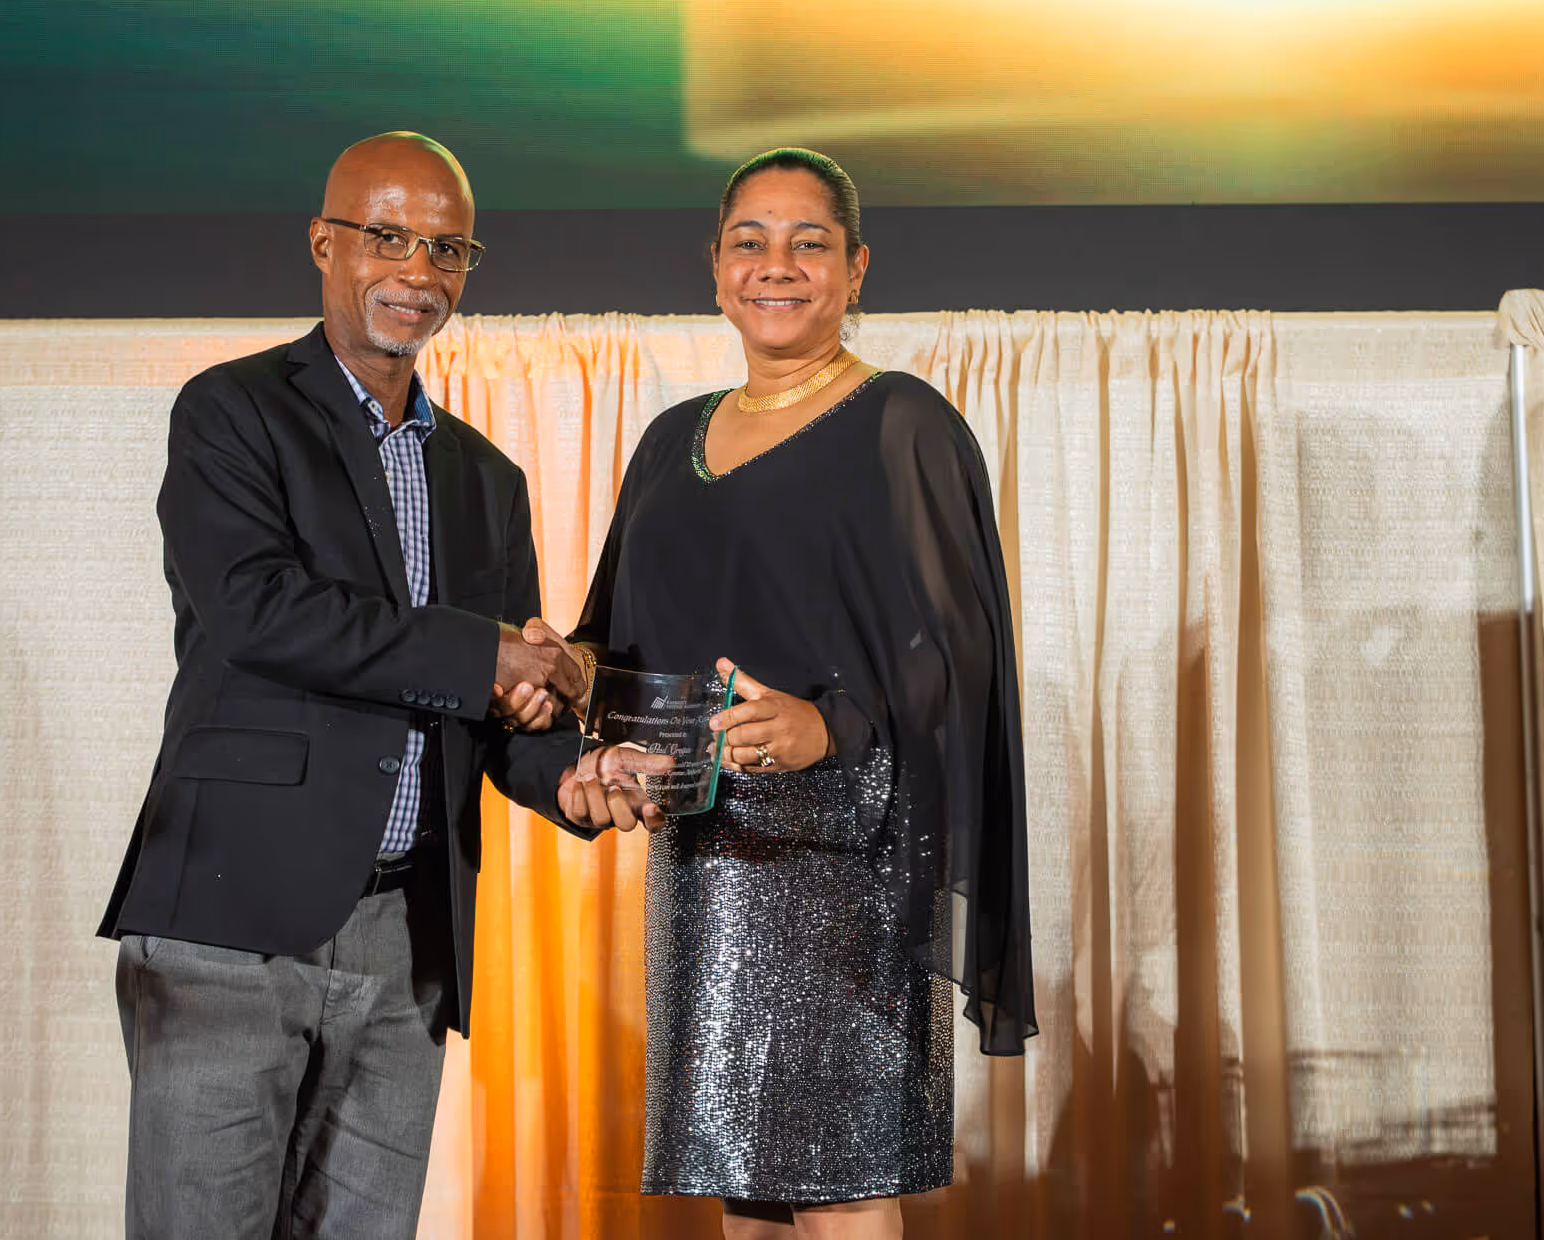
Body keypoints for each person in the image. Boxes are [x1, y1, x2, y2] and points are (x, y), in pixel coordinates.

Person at [97, 131, 664, 1239]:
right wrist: (487, 652)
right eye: (389, 235)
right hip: (230, 921)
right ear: (324, 242)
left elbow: (502, 716)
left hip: (410, 936)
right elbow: (258, 610)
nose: (419, 269)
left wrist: (576, 775)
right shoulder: (231, 411)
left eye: (448, 248)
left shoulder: (485, 479)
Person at [557, 147, 1038, 1238]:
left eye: (807, 242)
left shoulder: (901, 422)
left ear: (856, 267)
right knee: (749, 1193)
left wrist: (832, 723)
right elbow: (618, 649)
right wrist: (577, 704)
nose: (776, 265)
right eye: (749, 240)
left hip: (845, 866)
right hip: (705, 863)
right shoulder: (665, 440)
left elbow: (961, 656)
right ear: (715, 266)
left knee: (843, 1190)